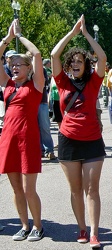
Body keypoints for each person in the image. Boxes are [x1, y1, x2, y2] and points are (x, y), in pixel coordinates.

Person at [50, 15, 107, 248]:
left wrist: (85, 35)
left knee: (92, 189)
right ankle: (81, 228)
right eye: (71, 61)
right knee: (76, 190)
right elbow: (54, 54)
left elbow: (102, 57)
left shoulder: (94, 82)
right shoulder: (62, 81)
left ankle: (94, 232)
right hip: (68, 141)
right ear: (68, 65)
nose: (75, 64)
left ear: (85, 65)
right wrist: (72, 34)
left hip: (93, 140)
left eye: (79, 61)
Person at [0, 19, 45, 241]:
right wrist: (7, 39)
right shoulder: (8, 84)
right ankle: (24, 225)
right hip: (8, 139)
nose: (15, 67)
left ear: (29, 69)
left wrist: (19, 37)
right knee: (16, 189)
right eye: (12, 64)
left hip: (27, 139)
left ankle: (38, 226)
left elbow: (36, 55)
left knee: (28, 189)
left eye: (19, 64)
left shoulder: (35, 85)